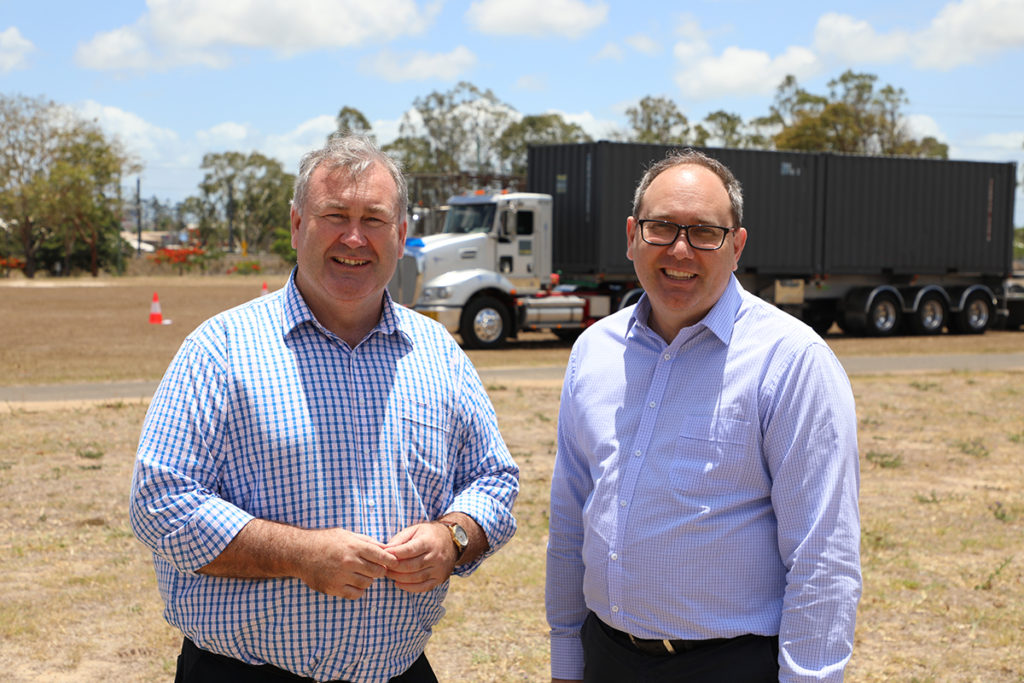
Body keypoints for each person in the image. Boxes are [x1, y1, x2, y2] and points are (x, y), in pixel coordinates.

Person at [130, 134, 519, 683]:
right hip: (243, 673)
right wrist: (299, 554)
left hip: (397, 672)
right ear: (296, 226)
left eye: (375, 219)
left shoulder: (439, 355)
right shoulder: (219, 349)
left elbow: (494, 481)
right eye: (334, 214)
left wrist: (453, 538)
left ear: (402, 234)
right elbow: (159, 503)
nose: (354, 237)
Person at [545, 148, 861, 682]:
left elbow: (823, 555)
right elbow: (571, 519)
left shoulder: (790, 361)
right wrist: (567, 661)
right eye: (661, 227)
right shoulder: (594, 351)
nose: (680, 249)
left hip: (730, 664)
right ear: (631, 235)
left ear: (736, 246)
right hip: (606, 657)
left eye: (705, 232)